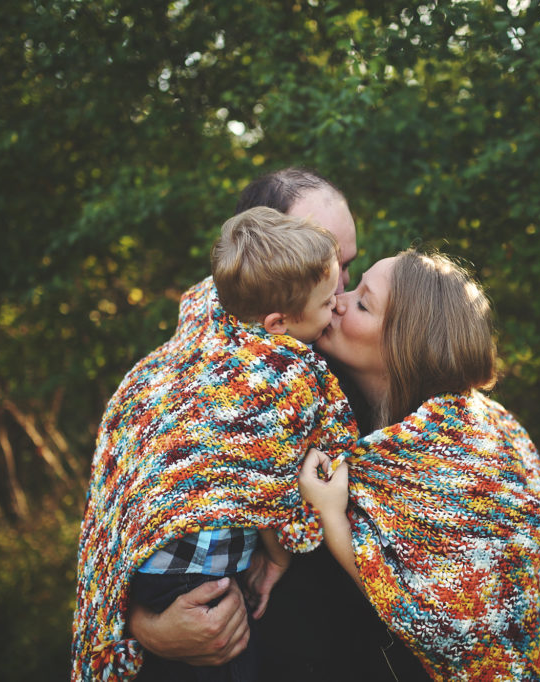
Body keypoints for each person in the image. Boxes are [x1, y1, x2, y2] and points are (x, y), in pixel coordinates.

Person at [122, 167, 430, 681]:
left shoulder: (374, 368)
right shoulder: (187, 379)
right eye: (318, 262)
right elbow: (135, 519)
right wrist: (145, 623)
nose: (337, 292)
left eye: (345, 268)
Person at [72, 207, 359, 681]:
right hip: (202, 580)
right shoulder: (291, 373)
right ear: (278, 322)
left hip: (150, 570)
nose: (341, 302)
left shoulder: (181, 364)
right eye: (330, 298)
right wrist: (280, 554)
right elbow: (278, 493)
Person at [299, 250, 540, 681]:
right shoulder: (332, 410)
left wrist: (330, 515)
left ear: (405, 343)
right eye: (356, 285)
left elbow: (441, 622)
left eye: (363, 303)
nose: (339, 300)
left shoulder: (473, 449)